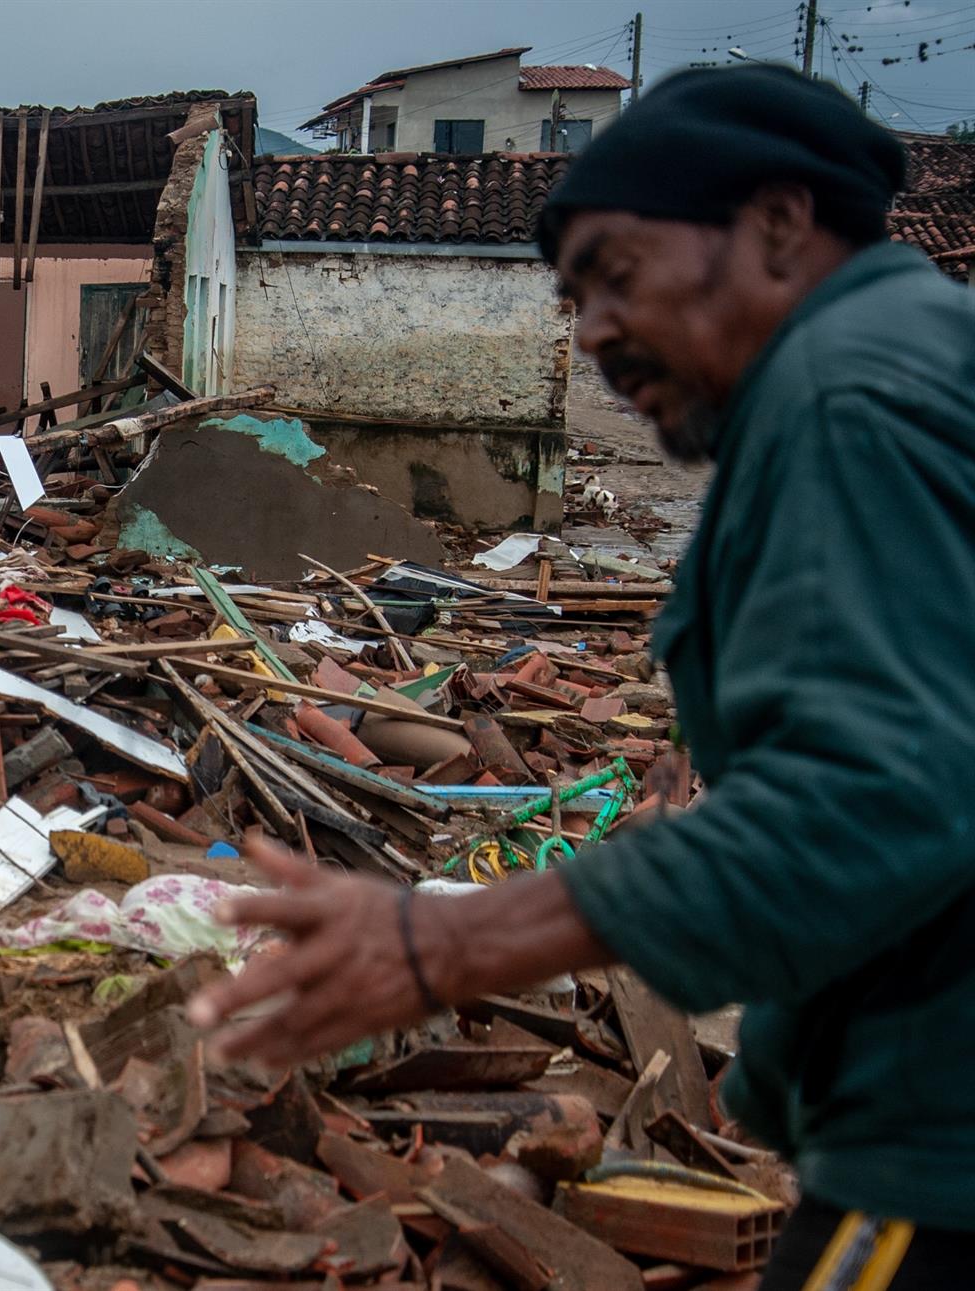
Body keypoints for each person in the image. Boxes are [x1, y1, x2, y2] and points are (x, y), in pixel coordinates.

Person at [188, 65, 975, 1290]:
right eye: (573, 296)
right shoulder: (920, 359)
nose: (592, 330)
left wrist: (438, 940)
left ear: (777, 224)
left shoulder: (848, 397)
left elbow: (878, 796)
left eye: (616, 273)